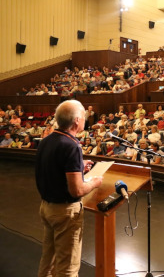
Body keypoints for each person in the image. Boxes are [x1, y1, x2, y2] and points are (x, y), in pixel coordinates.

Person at [35, 100, 103, 277]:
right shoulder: (71, 145)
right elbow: (77, 191)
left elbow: (54, 167)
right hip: (65, 212)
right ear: (77, 121)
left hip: (47, 208)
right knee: (68, 267)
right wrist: (94, 182)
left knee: (48, 261)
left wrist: (78, 166)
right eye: (84, 117)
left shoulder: (46, 140)